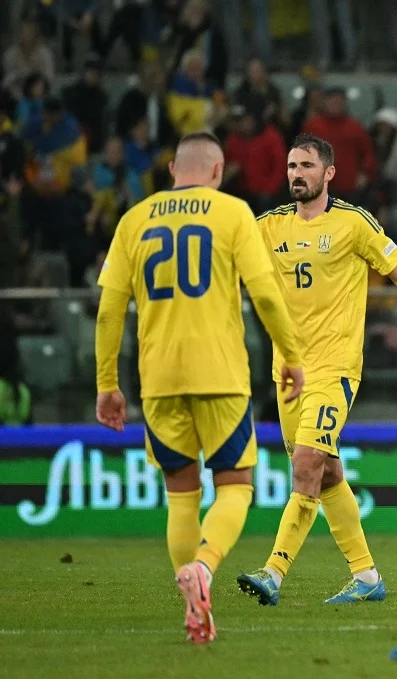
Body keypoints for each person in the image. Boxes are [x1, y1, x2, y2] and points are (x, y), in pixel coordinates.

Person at [93, 132, 305, 644]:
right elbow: (266, 297)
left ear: (171, 170)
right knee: (235, 486)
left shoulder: (133, 220)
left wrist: (107, 384)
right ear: (217, 170)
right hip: (221, 375)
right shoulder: (232, 213)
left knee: (181, 497)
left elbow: (108, 310)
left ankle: (194, 606)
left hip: (159, 379)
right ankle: (204, 569)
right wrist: (291, 356)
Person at [237, 133, 397, 605]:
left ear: (329, 173)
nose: (296, 173)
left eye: (306, 166)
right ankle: (366, 578)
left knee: (306, 464)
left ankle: (274, 573)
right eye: (292, 166)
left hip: (336, 366)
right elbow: (227, 258)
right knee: (328, 475)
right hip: (289, 373)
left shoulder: (353, 223)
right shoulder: (268, 226)